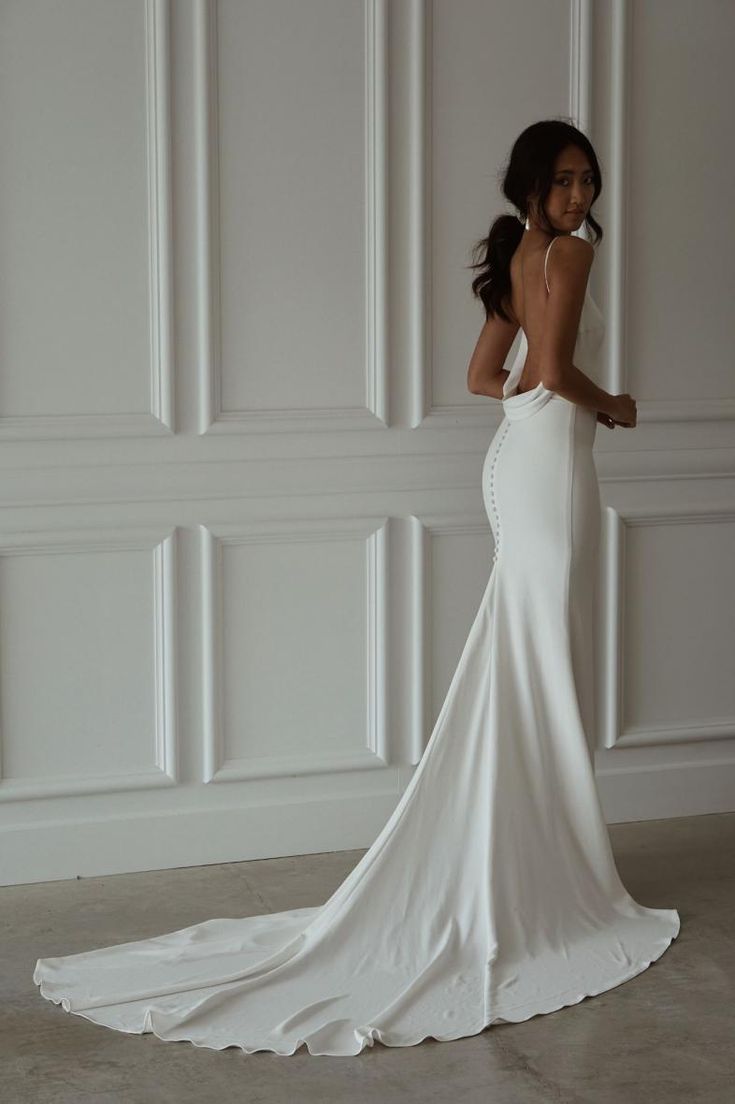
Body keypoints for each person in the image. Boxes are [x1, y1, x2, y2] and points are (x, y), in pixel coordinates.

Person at [33, 119, 679, 1057]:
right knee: (539, 655)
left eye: (587, 181)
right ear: (530, 186)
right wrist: (604, 402)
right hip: (549, 476)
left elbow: (482, 377)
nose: (580, 198)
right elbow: (542, 370)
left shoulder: (521, 254)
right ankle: (544, 862)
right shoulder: (568, 257)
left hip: (518, 465)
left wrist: (540, 407)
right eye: (563, 181)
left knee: (527, 654)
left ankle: (519, 847)